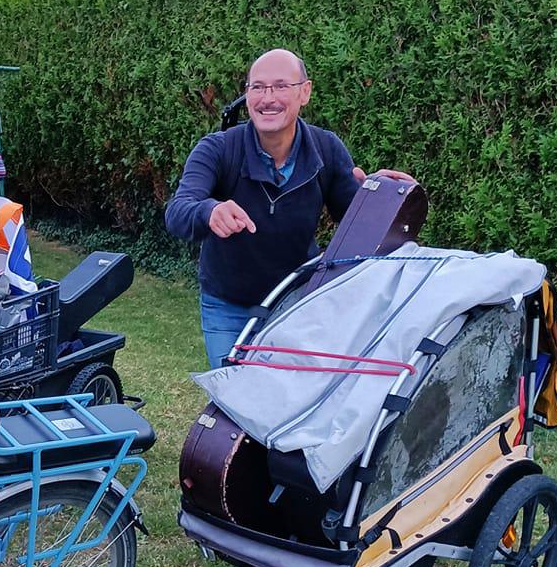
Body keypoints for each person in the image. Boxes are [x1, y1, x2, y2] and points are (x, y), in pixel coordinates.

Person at [164, 48, 412, 368]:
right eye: (258, 87)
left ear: (304, 92)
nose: (268, 98)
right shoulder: (217, 149)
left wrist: (377, 193)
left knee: (292, 398)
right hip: (228, 306)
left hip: (298, 305)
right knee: (234, 400)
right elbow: (178, 211)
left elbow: (355, 224)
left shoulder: (326, 148)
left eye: (281, 86)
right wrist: (209, 211)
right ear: (248, 94)